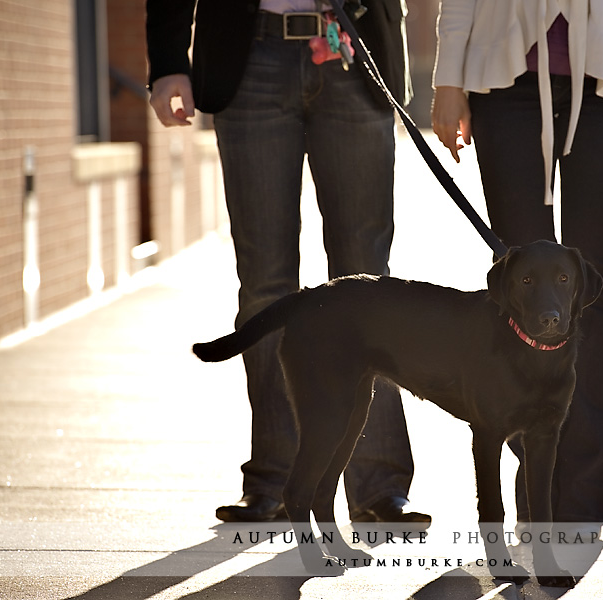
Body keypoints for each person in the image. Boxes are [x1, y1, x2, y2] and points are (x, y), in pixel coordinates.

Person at [145, 0, 430, 526]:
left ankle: (379, 485)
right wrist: (166, 60)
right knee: (264, 286)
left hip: (354, 47)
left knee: (368, 284)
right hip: (248, 54)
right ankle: (274, 482)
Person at [431, 0, 603, 528]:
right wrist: (448, 76)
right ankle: (537, 476)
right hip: (503, 83)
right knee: (519, 287)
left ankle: (582, 501)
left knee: (596, 286)